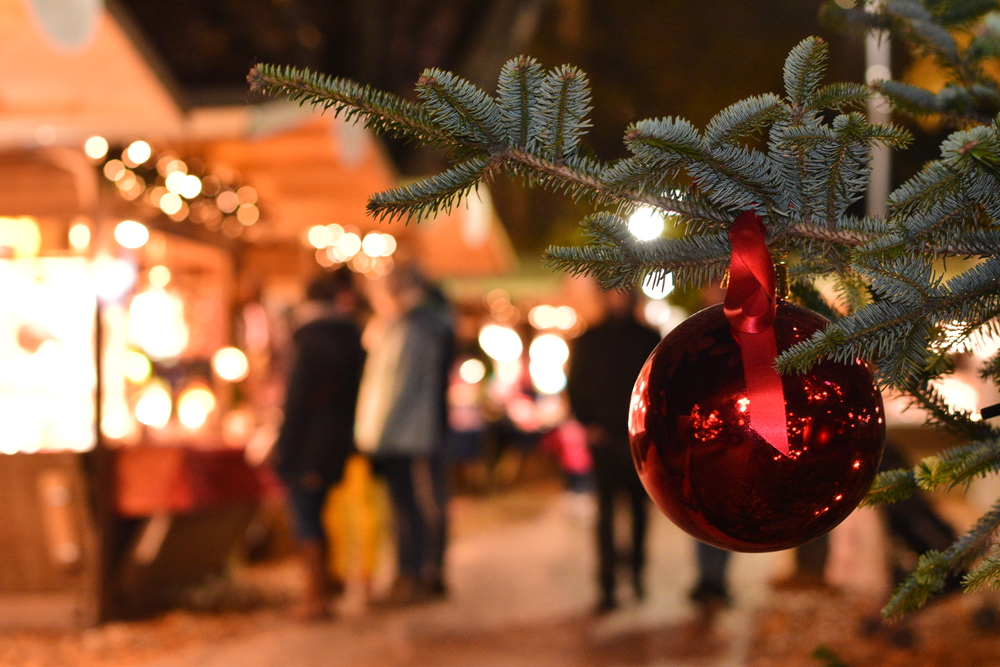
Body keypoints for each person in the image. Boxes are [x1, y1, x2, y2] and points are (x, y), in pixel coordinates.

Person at [355, 264, 455, 604]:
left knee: (410, 506)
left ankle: (415, 573)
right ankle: (420, 572)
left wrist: (374, 436)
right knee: (412, 504)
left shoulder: (412, 329)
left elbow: (395, 388)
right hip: (409, 432)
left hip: (407, 434)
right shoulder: (421, 325)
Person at [272, 267, 366, 620]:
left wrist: (284, 444)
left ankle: (316, 595)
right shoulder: (352, 335)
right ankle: (329, 584)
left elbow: (297, 400)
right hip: (338, 439)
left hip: (309, 442)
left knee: (305, 516)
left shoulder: (309, 338)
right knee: (319, 511)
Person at [567, 285, 661, 613]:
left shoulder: (648, 338)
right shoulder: (590, 339)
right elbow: (575, 385)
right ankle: (606, 584)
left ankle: (637, 575)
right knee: (605, 514)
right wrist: (587, 422)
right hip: (603, 439)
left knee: (639, 511)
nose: (619, 298)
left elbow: (657, 384)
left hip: (636, 439)